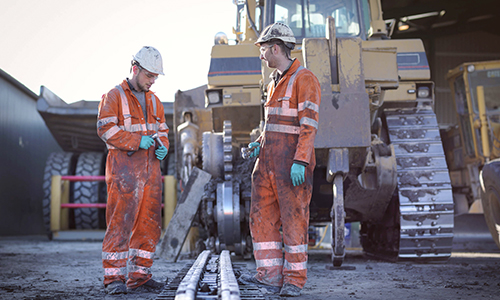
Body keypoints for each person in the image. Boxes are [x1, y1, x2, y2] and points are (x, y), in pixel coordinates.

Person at [239, 23, 321, 297]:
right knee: (261, 218)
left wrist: (301, 161)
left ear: (275, 48)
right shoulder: (274, 81)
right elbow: (273, 124)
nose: (261, 55)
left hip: (290, 165)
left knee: (294, 219)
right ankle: (269, 276)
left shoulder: (304, 79)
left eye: (263, 50)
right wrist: (258, 143)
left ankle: (294, 280)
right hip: (266, 165)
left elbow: (308, 126)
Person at [97, 46, 169, 295]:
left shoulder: (154, 100)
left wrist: (163, 147)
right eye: (149, 75)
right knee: (121, 221)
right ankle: (114, 277)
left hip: (151, 172)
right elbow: (105, 129)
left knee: (149, 223)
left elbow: (162, 131)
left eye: (155, 77)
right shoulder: (114, 96)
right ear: (135, 69)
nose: (152, 81)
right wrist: (137, 142)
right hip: (124, 172)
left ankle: (140, 275)